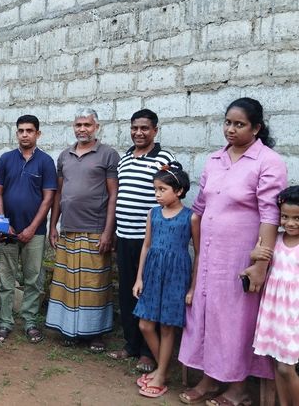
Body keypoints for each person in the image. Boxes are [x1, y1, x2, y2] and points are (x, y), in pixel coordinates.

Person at [178, 98, 287, 406]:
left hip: (241, 258)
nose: (231, 129)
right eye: (228, 122)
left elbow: (270, 215)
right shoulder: (215, 159)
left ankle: (238, 388)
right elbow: (200, 207)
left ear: (256, 128)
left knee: (235, 320)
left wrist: (260, 263)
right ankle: (210, 378)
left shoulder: (268, 162)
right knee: (207, 315)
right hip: (210, 256)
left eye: (240, 124)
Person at [46, 108, 120, 351]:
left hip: (95, 230)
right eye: (78, 125)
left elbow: (113, 195)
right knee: (69, 282)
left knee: (94, 284)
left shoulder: (108, 154)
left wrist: (108, 231)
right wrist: (53, 226)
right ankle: (70, 330)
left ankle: (95, 334)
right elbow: (59, 193)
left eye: (87, 125)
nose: (82, 129)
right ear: (73, 127)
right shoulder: (64, 156)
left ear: (96, 127)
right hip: (68, 229)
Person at [109, 109, 175, 373]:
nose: (139, 132)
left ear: (155, 130)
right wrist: (115, 231)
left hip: (150, 241)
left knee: (148, 293)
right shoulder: (124, 159)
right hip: (125, 236)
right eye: (134, 128)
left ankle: (148, 352)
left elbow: (171, 194)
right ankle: (131, 344)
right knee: (127, 292)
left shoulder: (165, 159)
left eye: (145, 128)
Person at [131, 163, 199, 399]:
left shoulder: (191, 217)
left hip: (176, 275)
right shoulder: (154, 213)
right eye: (155, 190)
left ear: (179, 191)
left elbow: (199, 253)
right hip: (153, 272)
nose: (157, 194)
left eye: (162, 189)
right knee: (145, 324)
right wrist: (139, 278)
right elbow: (146, 245)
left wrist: (192, 287)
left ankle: (160, 375)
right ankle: (165, 369)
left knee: (167, 326)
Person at [0, 115, 57, 345]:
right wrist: (4, 222)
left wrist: (32, 228)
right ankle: (5, 321)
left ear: (38, 133)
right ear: (17, 133)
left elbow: (48, 199)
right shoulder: (6, 159)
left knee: (33, 279)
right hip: (7, 231)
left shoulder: (45, 162)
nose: (25, 134)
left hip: (35, 232)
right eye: (21, 130)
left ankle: (30, 322)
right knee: (6, 278)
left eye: (29, 130)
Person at [252, 186, 299, 406]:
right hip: (274, 308)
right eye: (285, 217)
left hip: (293, 313)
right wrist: (254, 254)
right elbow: (257, 259)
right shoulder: (276, 240)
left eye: (297, 218)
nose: (290, 223)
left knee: (286, 367)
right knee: (277, 365)